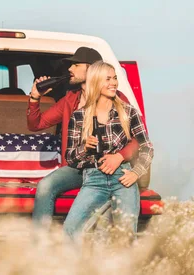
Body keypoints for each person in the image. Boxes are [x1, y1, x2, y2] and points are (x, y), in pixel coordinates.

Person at [27, 47, 139, 229]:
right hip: (77, 167)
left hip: (109, 167)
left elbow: (138, 140)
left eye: (75, 64)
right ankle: (41, 246)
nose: (70, 69)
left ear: (91, 69)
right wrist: (34, 97)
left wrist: (119, 157)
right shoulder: (70, 99)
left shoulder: (118, 99)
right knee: (45, 186)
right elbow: (36, 124)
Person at [63, 61, 153, 240]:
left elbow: (147, 147)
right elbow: (71, 158)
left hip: (123, 179)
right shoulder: (79, 116)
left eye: (115, 78)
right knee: (69, 230)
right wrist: (84, 147)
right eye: (108, 79)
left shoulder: (128, 112)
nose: (113, 83)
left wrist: (135, 173)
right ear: (96, 82)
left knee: (125, 235)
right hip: (93, 179)